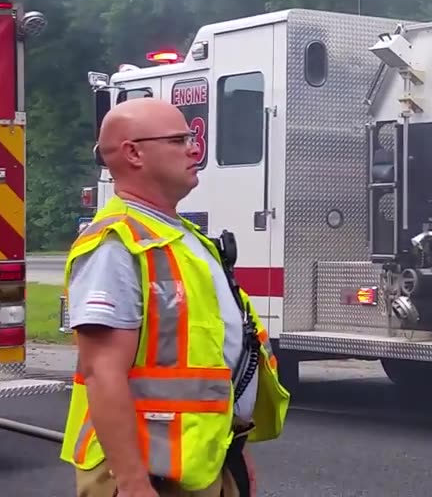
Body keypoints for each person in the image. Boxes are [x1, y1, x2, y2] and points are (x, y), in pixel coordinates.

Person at [59, 97, 290, 497]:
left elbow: (216, 356)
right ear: (133, 153)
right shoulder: (116, 244)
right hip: (150, 474)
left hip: (201, 461)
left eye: (193, 138)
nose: (195, 148)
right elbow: (102, 372)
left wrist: (233, 447)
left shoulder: (184, 237)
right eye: (179, 139)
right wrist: (132, 483)